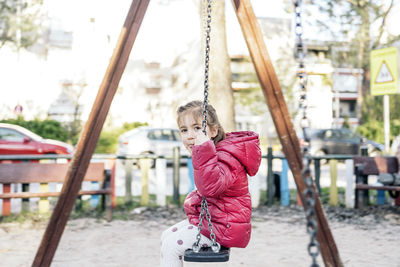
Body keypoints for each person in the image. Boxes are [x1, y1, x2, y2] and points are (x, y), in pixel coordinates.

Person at [160, 100, 261, 267]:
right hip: (215, 221)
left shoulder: (227, 157)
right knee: (167, 235)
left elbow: (209, 188)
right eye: (184, 130)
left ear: (214, 131)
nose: (190, 135)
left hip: (224, 227)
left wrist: (203, 150)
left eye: (197, 128)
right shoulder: (213, 153)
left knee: (172, 245)